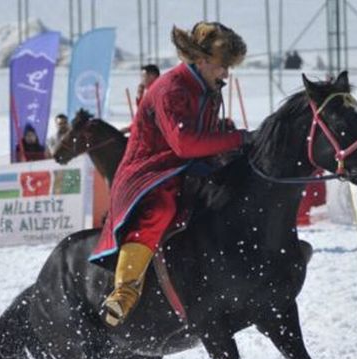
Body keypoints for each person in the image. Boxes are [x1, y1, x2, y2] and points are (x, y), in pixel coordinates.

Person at [91, 21, 250, 328]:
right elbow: (184, 143)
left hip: (186, 167)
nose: (225, 74)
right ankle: (124, 292)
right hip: (149, 174)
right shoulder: (170, 89)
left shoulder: (210, 88)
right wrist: (238, 139)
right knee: (160, 209)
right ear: (201, 59)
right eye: (222, 66)